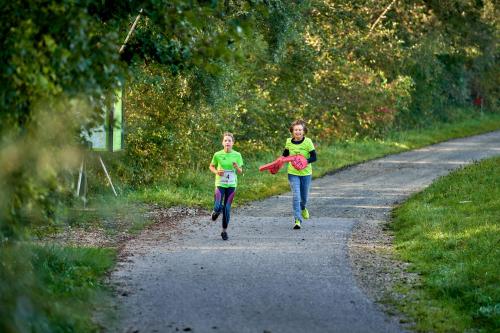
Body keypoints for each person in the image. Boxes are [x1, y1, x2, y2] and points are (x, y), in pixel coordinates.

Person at [283, 119, 317, 230]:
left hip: (306, 173)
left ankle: (303, 208)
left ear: (304, 131)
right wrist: (277, 163)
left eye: (300, 130)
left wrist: (304, 162)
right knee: (296, 196)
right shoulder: (288, 141)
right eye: (296, 130)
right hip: (293, 173)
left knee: (304, 198)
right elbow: (284, 156)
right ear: (292, 131)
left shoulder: (308, 142)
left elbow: (314, 157)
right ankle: (297, 220)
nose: (298, 132)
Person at [209, 132, 244, 240]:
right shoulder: (217, 154)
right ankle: (215, 211)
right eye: (225, 140)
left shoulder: (237, 155)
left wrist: (236, 166)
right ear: (222, 142)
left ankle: (224, 231)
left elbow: (240, 171)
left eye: (229, 140)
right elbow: (211, 166)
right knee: (217, 206)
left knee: (227, 209)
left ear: (233, 143)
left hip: (231, 184)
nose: (227, 142)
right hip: (220, 183)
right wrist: (216, 171)